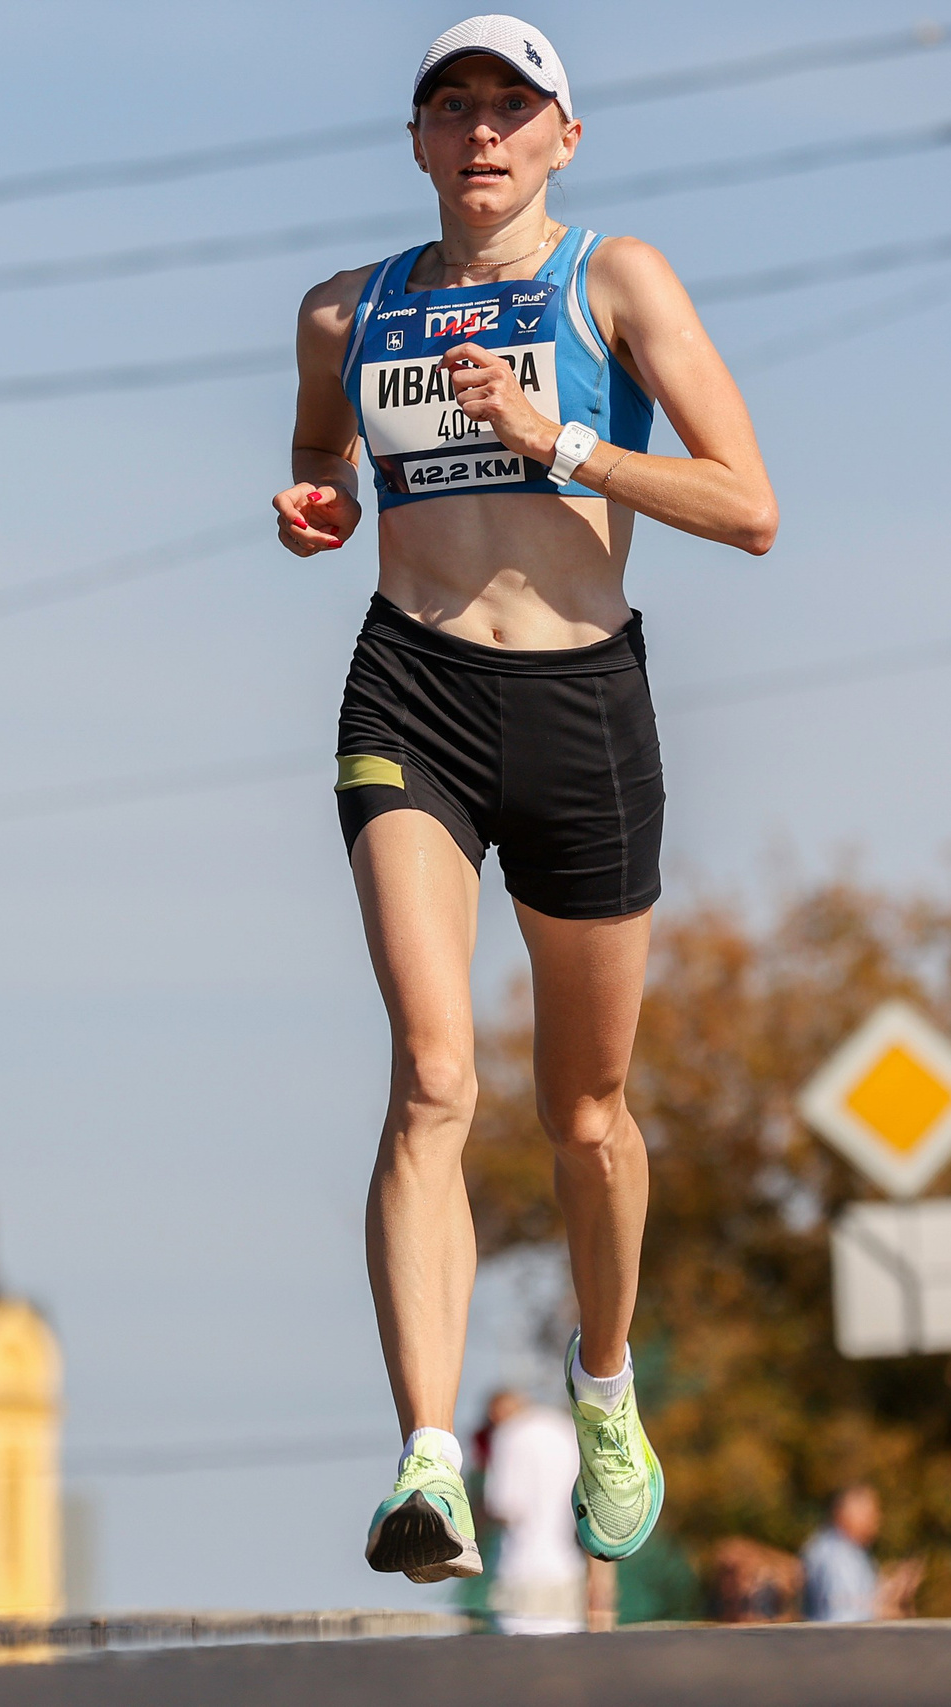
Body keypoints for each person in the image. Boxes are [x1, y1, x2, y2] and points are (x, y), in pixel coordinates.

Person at [272, 15, 776, 1583]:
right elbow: (318, 459)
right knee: (432, 1072)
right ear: (417, 143)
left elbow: (749, 504)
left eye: (513, 108)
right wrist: (318, 502)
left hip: (580, 703)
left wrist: (558, 439)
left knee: (586, 1112)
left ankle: (607, 1380)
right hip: (409, 689)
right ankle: (427, 1452)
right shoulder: (345, 310)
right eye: (453, 108)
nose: (482, 133)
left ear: (566, 138)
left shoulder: (618, 282)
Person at [478, 1388, 589, 1633]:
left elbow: (503, 1506)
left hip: (521, 1568)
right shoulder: (566, 1429)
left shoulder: (509, 1435)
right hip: (566, 1566)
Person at [800, 1485, 921, 1623]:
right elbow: (845, 1618)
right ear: (845, 1513)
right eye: (870, 1513)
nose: (877, 1519)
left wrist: (887, 1591)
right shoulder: (837, 1555)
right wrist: (886, 1608)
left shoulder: (850, 1551)